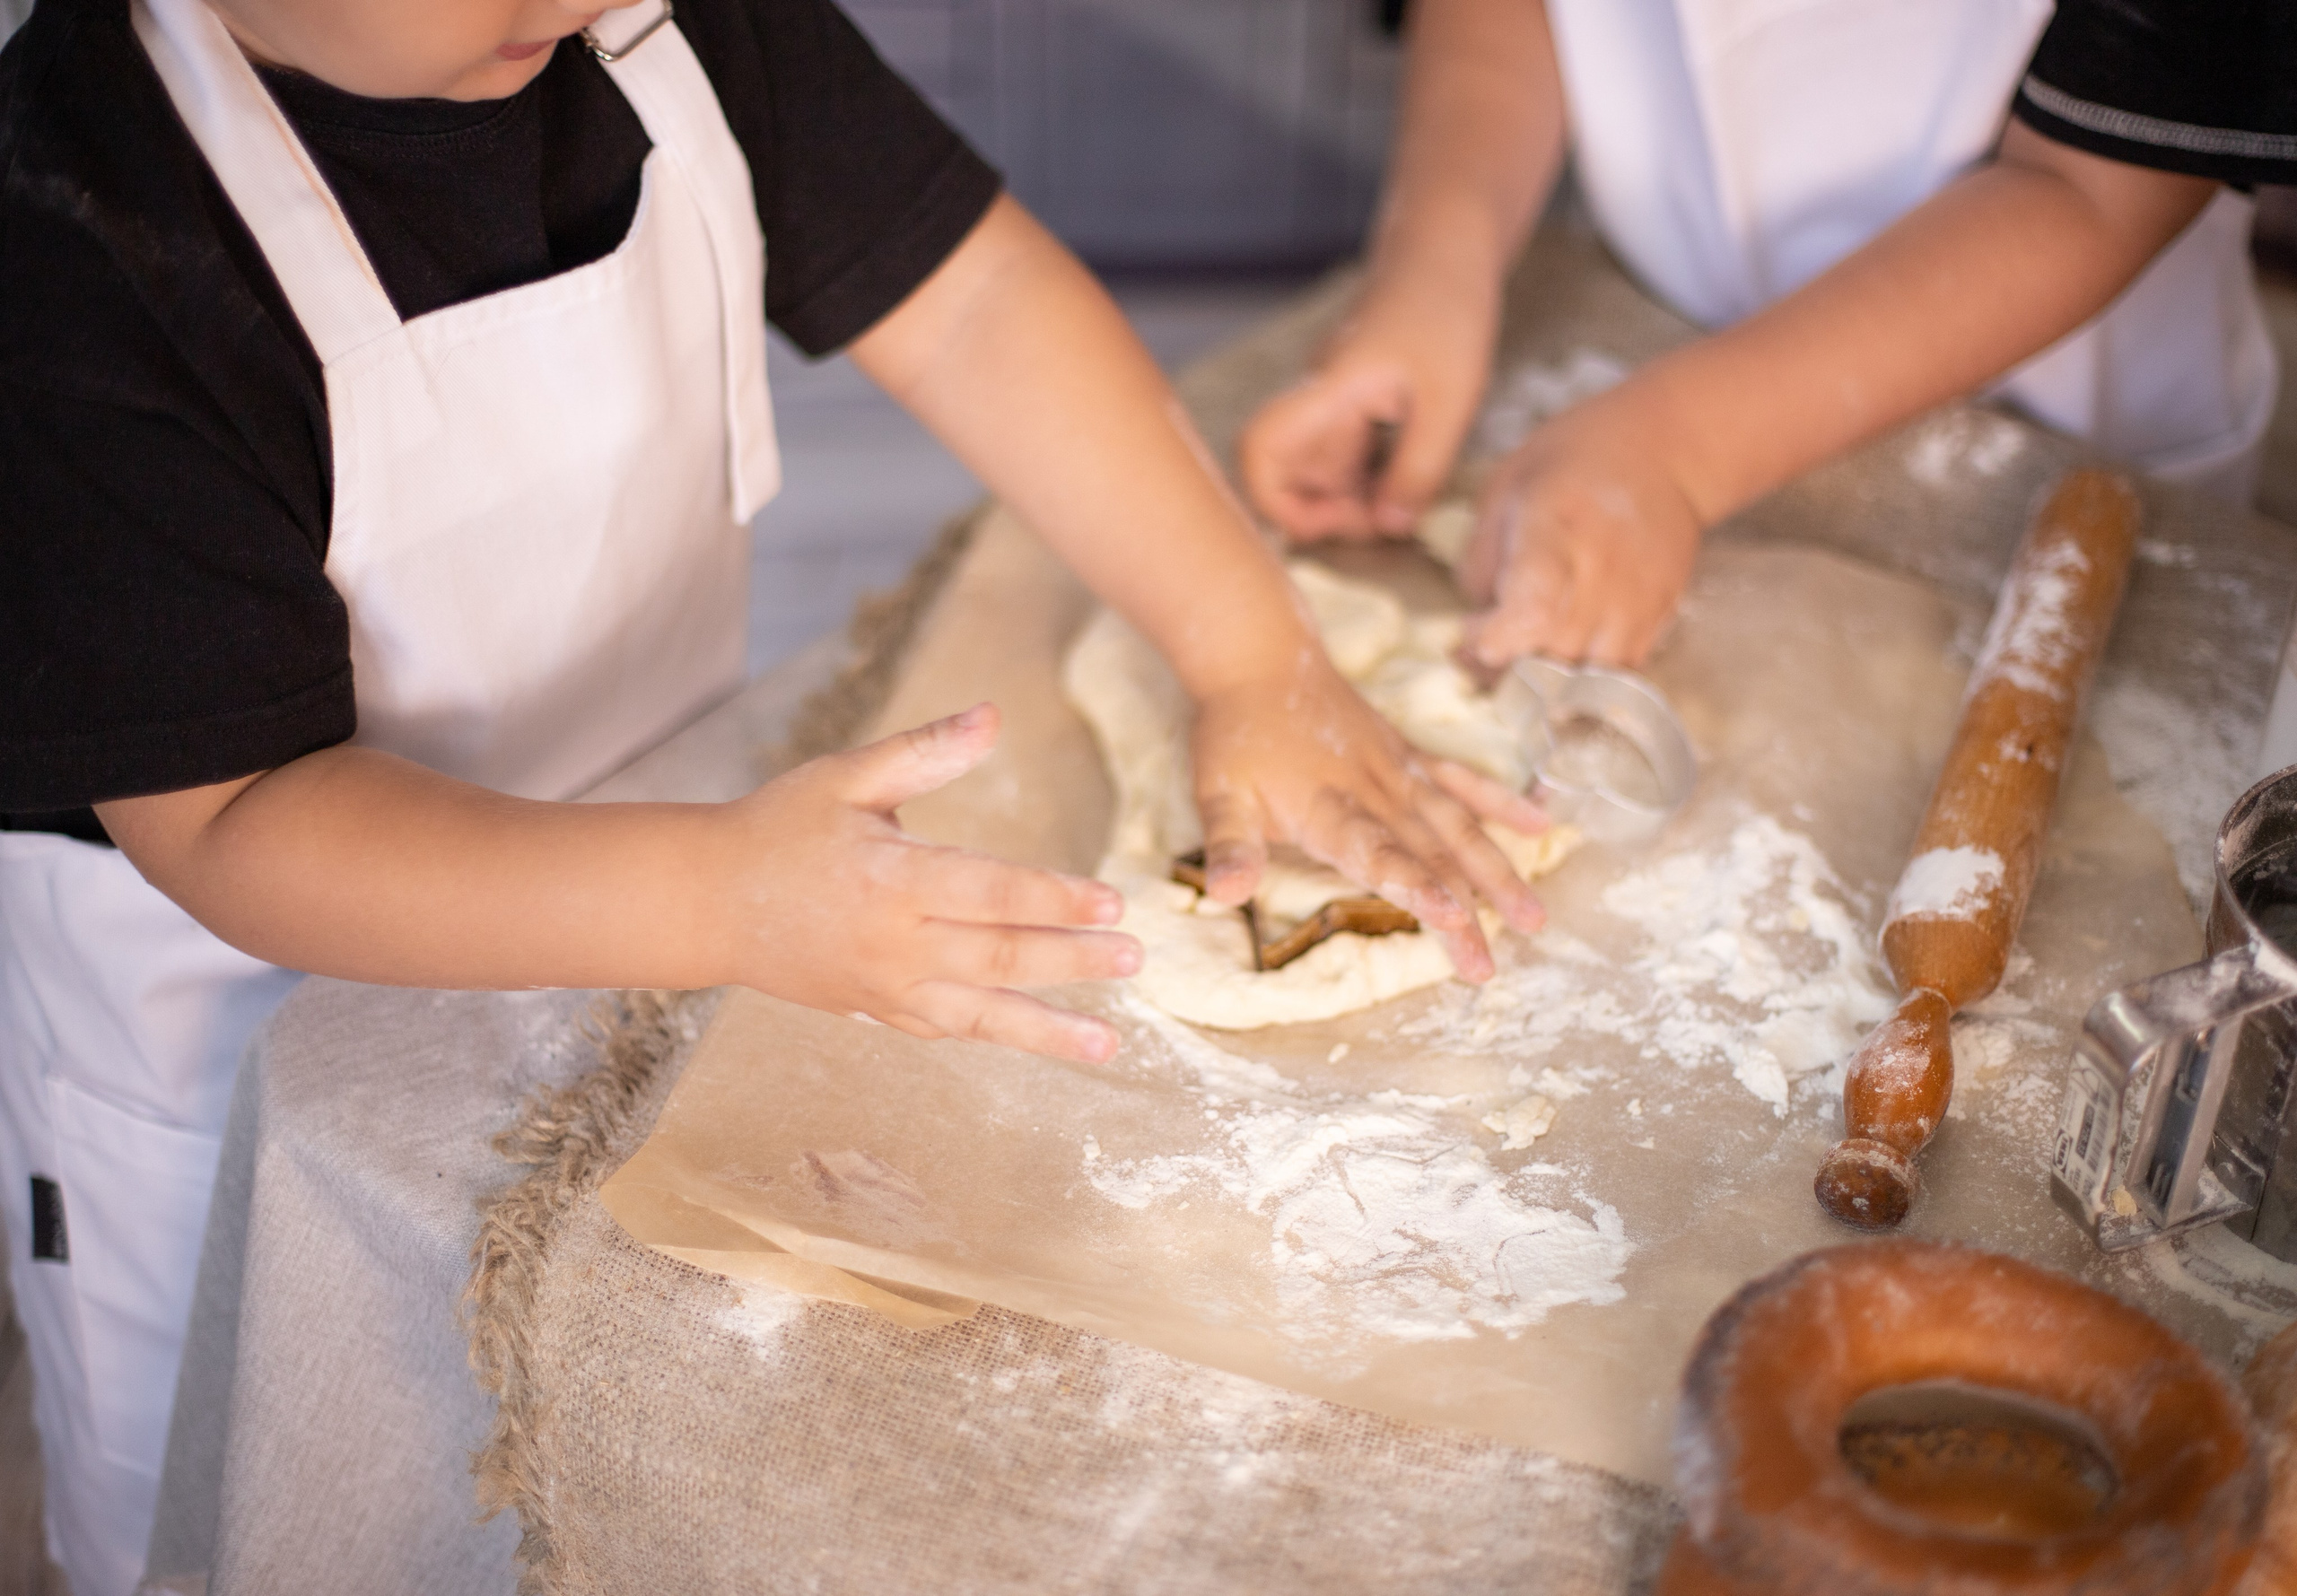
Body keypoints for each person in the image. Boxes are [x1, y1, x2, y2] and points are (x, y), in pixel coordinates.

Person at [0, 0, 1553, 1586]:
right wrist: (721, 899)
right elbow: (232, 818)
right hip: (250, 1041)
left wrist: (1244, 649)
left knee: (553, 1458)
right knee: (293, 1498)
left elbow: (972, 303)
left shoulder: (658, 23)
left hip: (662, 904)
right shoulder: (77, 247)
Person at [1241, 0, 2290, 670]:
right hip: (1658, 337)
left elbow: (2095, 192)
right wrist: (1437, 261)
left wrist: (1673, 447)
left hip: (2050, 430)